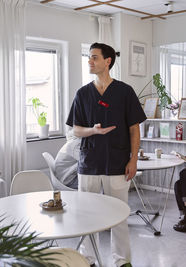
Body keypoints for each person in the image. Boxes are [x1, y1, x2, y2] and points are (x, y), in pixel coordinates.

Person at [66, 42, 146, 267]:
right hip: (89, 162)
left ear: (107, 61)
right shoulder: (82, 94)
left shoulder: (124, 92)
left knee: (119, 215)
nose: (89, 61)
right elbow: (75, 130)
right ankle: (87, 259)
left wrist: (133, 159)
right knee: (86, 215)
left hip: (118, 162)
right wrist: (93, 130)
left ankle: (122, 261)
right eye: (89, 58)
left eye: (94, 57)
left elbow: (134, 128)